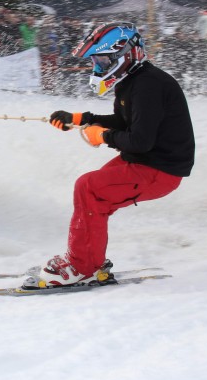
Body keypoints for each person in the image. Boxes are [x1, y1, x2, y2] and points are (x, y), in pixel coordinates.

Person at [36, 21, 195, 288]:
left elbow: (140, 140)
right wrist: (81, 119)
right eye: (95, 61)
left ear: (125, 54)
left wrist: (103, 136)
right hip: (147, 160)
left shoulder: (149, 85)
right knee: (93, 194)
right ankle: (90, 261)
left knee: (88, 187)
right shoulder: (133, 80)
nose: (98, 66)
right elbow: (124, 120)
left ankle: (81, 267)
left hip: (160, 168)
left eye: (102, 60)